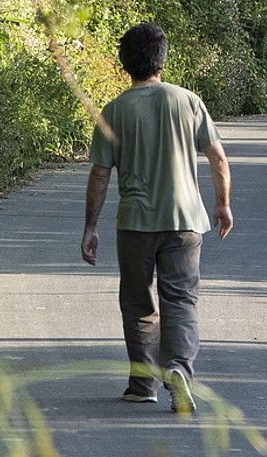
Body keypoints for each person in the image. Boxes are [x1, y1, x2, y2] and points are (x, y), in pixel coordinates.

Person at [82, 23, 234, 416]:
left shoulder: (114, 111)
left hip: (135, 221)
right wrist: (223, 203)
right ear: (162, 59)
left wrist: (90, 226)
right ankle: (180, 369)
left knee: (137, 302)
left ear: (124, 63)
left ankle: (143, 383)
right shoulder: (188, 101)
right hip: (185, 220)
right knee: (181, 299)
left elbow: (100, 173)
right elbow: (217, 157)